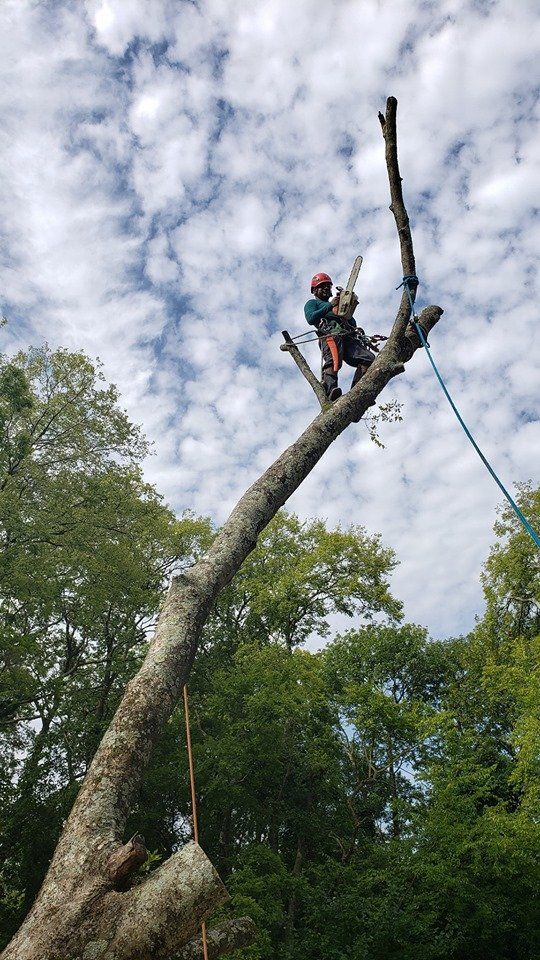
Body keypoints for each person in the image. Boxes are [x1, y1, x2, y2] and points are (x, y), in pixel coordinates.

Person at [304, 272, 375, 401]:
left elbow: (352, 323)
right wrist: (330, 305)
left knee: (368, 358)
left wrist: (347, 307)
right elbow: (310, 318)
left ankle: (358, 391)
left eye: (328, 286)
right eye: (322, 286)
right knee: (333, 361)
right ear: (314, 290)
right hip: (330, 335)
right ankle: (331, 390)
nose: (326, 288)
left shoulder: (336, 306)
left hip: (347, 337)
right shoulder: (313, 304)